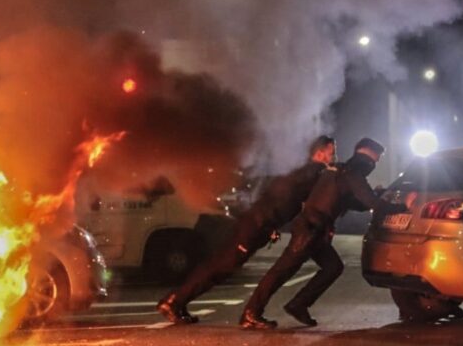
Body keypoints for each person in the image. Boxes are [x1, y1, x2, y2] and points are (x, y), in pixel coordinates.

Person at [156, 135, 337, 324]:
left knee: (221, 266)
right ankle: (174, 301)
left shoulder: (299, 171)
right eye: (331, 152)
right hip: (255, 225)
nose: (333, 156)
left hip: (257, 223)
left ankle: (178, 302)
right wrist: (329, 172)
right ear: (320, 152)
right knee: (220, 266)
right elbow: (285, 200)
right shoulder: (311, 172)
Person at [239, 138, 408, 330]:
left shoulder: (340, 171)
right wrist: (403, 207)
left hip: (314, 230)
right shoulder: (352, 174)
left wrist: (377, 195)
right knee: (282, 271)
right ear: (365, 157)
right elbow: (372, 204)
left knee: (332, 267)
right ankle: (252, 313)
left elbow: (354, 202)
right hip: (310, 230)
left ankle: (298, 305)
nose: (374, 165)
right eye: (374, 160)